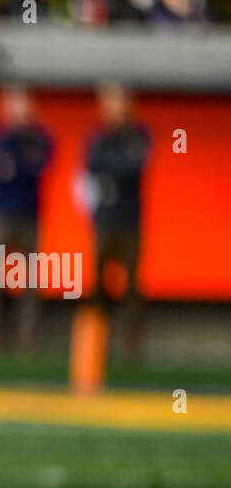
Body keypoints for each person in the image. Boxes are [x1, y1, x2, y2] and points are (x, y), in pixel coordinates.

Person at [0, 85, 53, 353]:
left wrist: (16, 166)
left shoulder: (38, 137)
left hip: (30, 215)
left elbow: (31, 168)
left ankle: (26, 340)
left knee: (30, 282)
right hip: (2, 214)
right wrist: (18, 166)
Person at [85, 82, 149, 364]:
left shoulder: (139, 135)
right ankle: (95, 345)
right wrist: (116, 166)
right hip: (103, 221)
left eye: (118, 100)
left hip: (130, 221)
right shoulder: (98, 137)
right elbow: (93, 167)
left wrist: (113, 168)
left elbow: (131, 168)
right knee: (98, 285)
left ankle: (130, 347)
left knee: (131, 286)